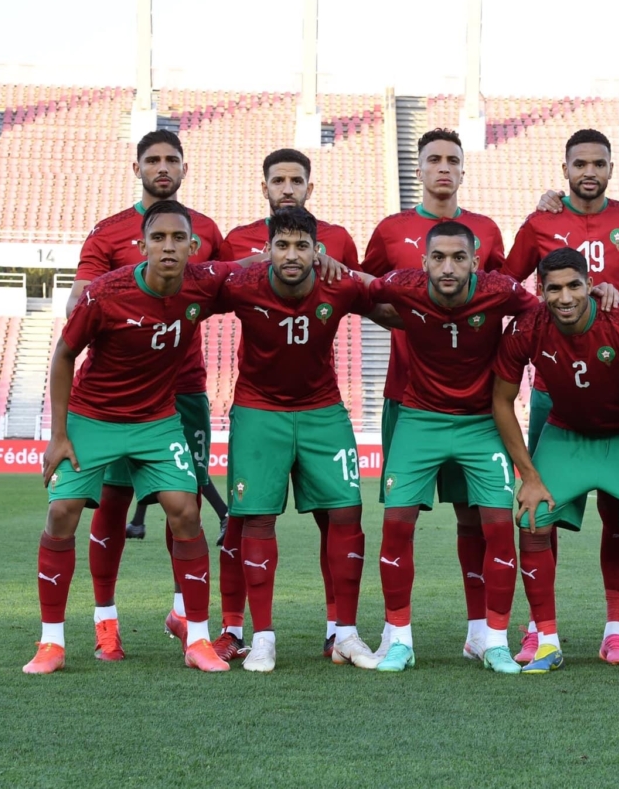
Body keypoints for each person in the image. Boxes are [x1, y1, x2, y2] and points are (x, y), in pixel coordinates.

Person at [24, 200, 233, 674]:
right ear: (141, 246)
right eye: (158, 238)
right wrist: (59, 435)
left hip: (156, 420)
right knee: (61, 512)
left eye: (178, 238)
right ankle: (51, 643)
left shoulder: (203, 283)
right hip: (93, 416)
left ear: (193, 247)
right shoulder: (106, 293)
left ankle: (198, 639)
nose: (168, 247)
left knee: (186, 510)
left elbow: (250, 268)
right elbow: (63, 354)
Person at [503, 128, 619, 666]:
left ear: (610, 169)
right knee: (538, 510)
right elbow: (506, 286)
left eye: (598, 164)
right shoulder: (539, 222)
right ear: (565, 170)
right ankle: (539, 630)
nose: (589, 172)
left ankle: (617, 632)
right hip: (556, 396)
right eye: (579, 164)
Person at [212, 206, 397, 672]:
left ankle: (346, 634)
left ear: (318, 250)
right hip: (259, 412)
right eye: (282, 245)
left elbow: (393, 303)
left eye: (302, 246)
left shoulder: (340, 283)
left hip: (323, 411)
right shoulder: (241, 284)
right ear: (267, 249)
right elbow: (189, 292)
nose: (291, 255)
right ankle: (262, 639)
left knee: (347, 512)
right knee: (256, 519)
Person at [68, 130, 225, 657]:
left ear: (184, 168)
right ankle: (105, 621)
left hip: (185, 388)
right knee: (112, 502)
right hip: (120, 397)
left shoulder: (205, 229)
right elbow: (79, 299)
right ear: (136, 168)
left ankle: (183, 614)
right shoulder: (110, 231)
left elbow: (231, 283)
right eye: (152, 160)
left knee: (185, 503)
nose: (162, 167)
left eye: (171, 160)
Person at [362, 129, 507, 661]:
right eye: (433, 160)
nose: (443, 167)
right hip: (408, 397)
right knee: (402, 516)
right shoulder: (391, 229)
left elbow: (501, 297)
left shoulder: (486, 230)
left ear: (464, 169)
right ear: (418, 169)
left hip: (475, 402)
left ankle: (480, 632)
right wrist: (410, 321)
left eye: (452, 160)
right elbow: (363, 292)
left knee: (475, 516)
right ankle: (395, 633)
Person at [365, 220, 533, 674]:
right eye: (438, 257)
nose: (448, 267)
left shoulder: (500, 289)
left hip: (481, 424)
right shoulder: (403, 284)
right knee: (396, 526)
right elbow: (356, 291)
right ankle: (400, 640)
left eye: (459, 258)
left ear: (475, 262)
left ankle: (493, 642)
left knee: (498, 528)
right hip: (419, 420)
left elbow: (545, 312)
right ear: (423, 262)